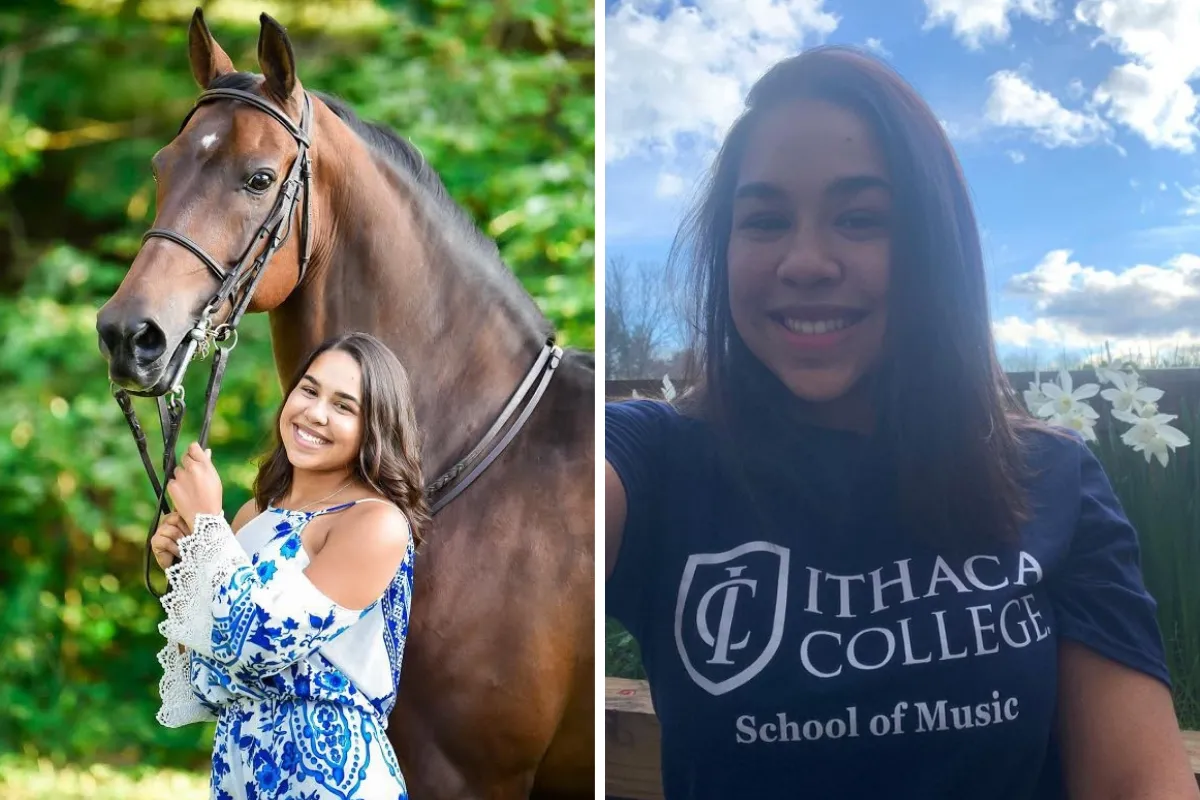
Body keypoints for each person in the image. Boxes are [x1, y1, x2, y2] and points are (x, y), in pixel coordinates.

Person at [605, 46, 1199, 799]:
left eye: (860, 219)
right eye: (765, 220)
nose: (805, 261)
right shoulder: (655, 460)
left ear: (934, 247)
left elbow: (1134, 784)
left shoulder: (1051, 476)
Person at [151, 331, 429, 800]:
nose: (316, 413)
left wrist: (208, 527)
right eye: (309, 390)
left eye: (344, 406)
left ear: (375, 427)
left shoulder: (374, 522)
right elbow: (205, 676)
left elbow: (260, 645)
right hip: (238, 776)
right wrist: (188, 564)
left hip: (328, 781)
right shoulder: (253, 516)